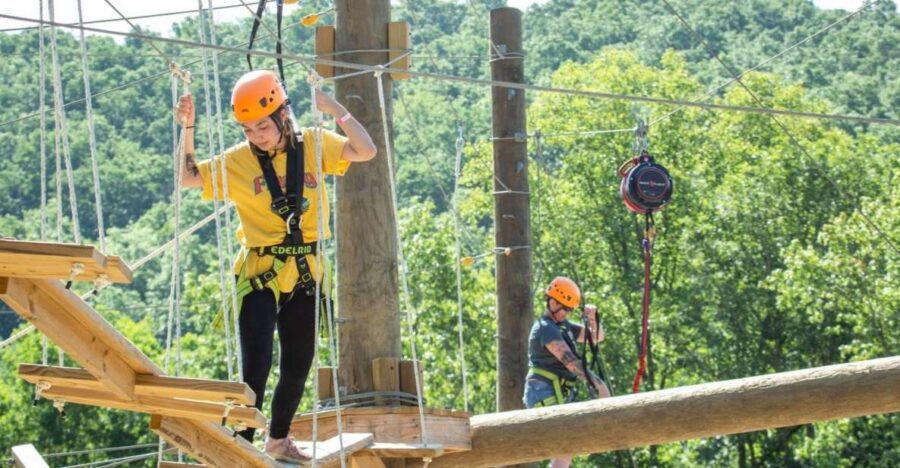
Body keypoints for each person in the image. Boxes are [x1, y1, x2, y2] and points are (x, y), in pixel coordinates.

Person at [175, 70, 376, 463]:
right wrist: (188, 128)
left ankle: (278, 440)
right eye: (248, 129)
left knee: (298, 364)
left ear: (283, 115)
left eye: (262, 126)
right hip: (259, 273)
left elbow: (365, 150)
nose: (256, 136)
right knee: (257, 365)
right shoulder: (238, 161)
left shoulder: (316, 145)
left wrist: (333, 107)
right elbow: (187, 177)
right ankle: (242, 440)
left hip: (305, 271)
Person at [523, 276, 611, 468]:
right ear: (553, 302)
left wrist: (593, 320)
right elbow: (570, 362)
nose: (568, 314)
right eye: (566, 309)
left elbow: (597, 337)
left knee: (566, 447)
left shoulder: (563, 327)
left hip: (556, 391)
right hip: (543, 391)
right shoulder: (545, 328)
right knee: (566, 444)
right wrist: (598, 384)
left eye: (571, 310)